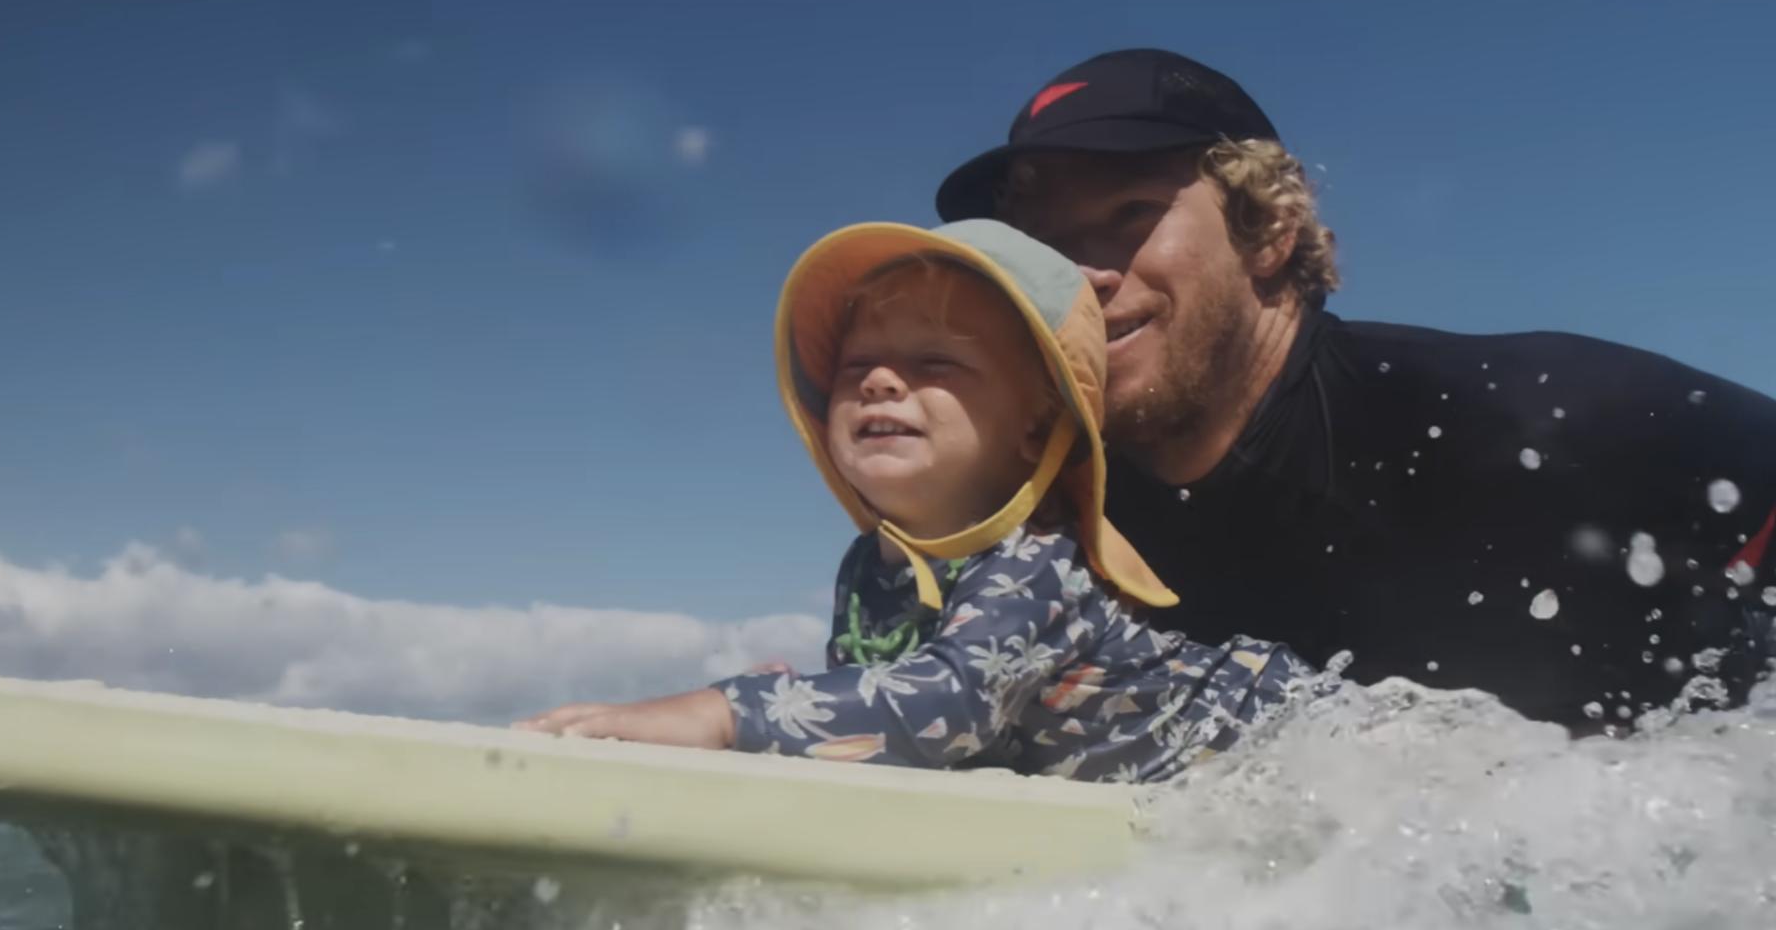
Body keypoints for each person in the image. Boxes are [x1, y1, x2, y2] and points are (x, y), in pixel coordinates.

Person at [935, 48, 1776, 732]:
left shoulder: (1522, 418)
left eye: (1130, 214)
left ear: (1267, 231)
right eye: (1044, 244)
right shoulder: (1058, 531)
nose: (1081, 276)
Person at [520, 219, 1303, 782]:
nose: (881, 381)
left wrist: (732, 712)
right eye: (860, 363)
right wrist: (790, 702)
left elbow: (951, 705)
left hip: (1283, 733)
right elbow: (892, 716)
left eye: (937, 362)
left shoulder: (1034, 564)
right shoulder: (870, 566)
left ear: (1038, 426)